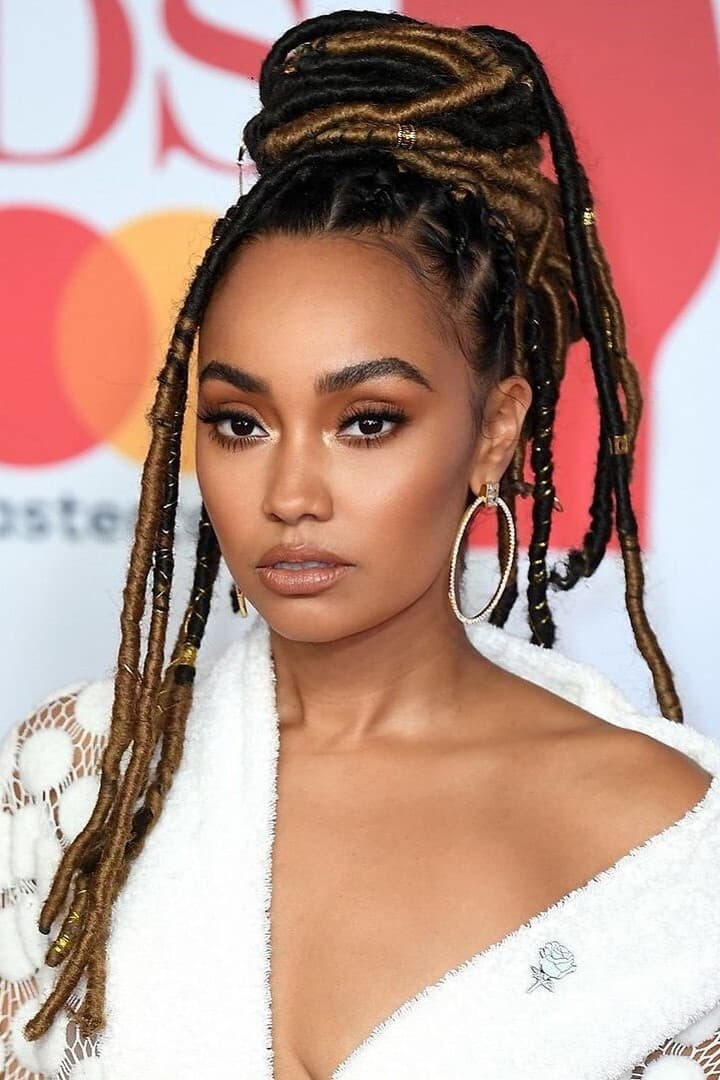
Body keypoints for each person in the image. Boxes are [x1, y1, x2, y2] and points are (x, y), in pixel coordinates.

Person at [2, 9, 720, 1080]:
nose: (291, 494)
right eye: (240, 423)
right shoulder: (82, 777)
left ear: (494, 433)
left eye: (368, 421)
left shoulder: (675, 848)